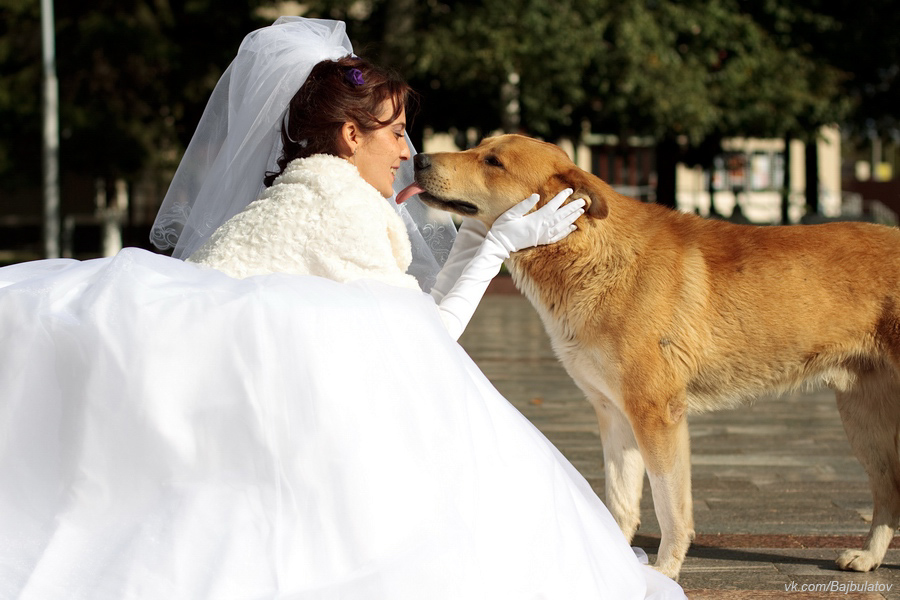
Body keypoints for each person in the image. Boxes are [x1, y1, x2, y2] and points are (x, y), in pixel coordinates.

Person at [0, 16, 687, 600]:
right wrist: (495, 242)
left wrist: (483, 237)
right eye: (392, 133)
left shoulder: (320, 191)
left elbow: (401, 327)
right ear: (351, 137)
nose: (407, 150)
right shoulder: (339, 207)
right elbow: (427, 343)